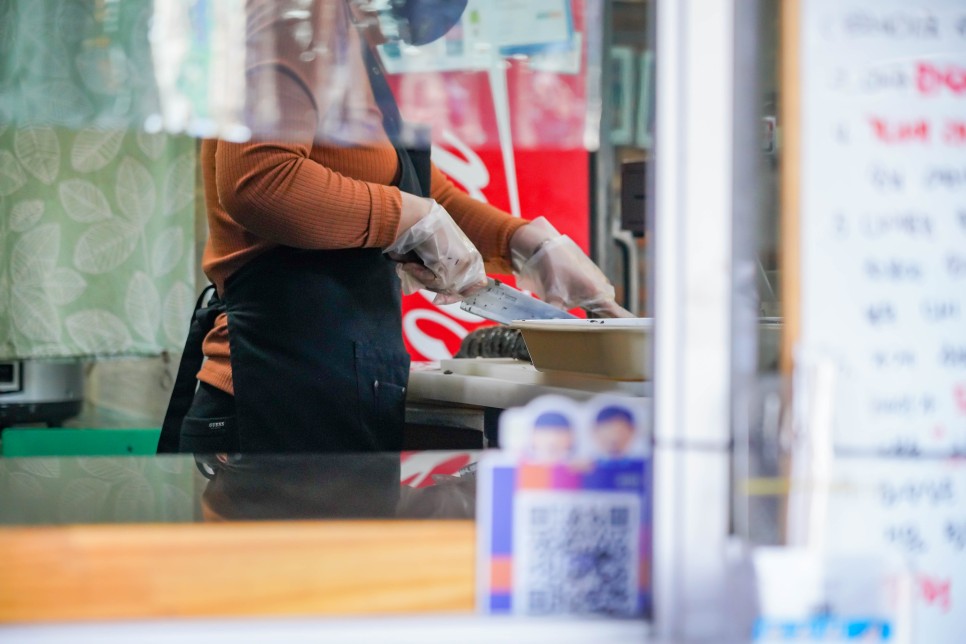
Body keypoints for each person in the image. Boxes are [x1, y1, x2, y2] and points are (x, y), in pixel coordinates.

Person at [159, 0, 631, 454]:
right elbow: (261, 182)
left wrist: (529, 243)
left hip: (341, 390)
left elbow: (425, 193)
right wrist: (405, 218)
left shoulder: (350, 44)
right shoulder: (294, 20)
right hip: (271, 394)